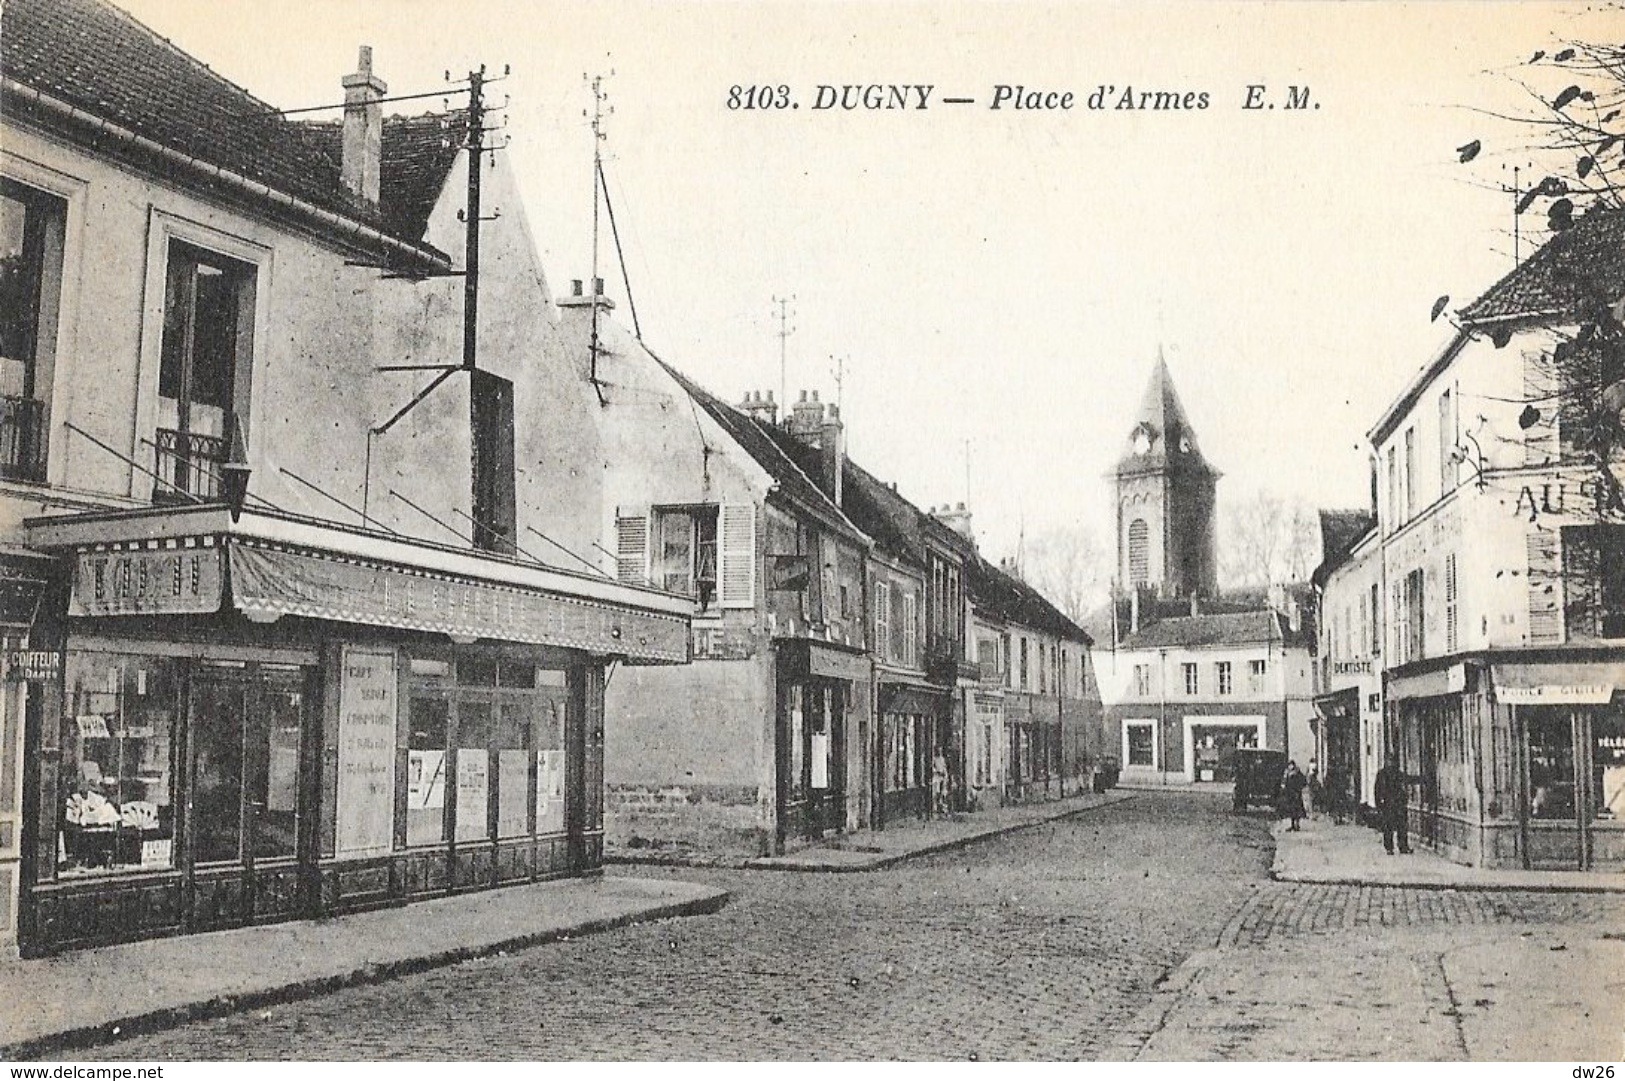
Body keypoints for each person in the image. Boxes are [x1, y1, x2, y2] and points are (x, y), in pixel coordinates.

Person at [1374, 754, 1412, 854]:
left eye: (1392, 761)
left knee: (1402, 826)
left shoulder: (1398, 773)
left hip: (1398, 803)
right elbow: (1377, 790)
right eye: (1389, 760)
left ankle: (1403, 846)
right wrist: (1378, 805)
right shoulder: (1381, 774)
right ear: (1386, 762)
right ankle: (1389, 848)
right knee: (1388, 827)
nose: (1390, 763)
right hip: (1387, 804)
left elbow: (1406, 780)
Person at [1279, 760, 1307, 831]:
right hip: (1289, 794)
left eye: (1291, 765)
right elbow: (1284, 782)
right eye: (1289, 765)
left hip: (1296, 794)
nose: (1290, 766)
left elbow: (1304, 782)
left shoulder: (1298, 773)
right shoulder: (1287, 772)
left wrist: (1299, 789)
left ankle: (1297, 825)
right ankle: (1292, 825)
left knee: (1297, 809)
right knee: (1291, 810)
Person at [930, 749, 949, 818]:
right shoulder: (934, 759)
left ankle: (944, 810)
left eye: (940, 750)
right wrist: (937, 772)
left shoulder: (942, 759)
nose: (939, 752)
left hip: (942, 778)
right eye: (938, 751)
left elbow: (944, 768)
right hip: (936, 778)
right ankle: (936, 810)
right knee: (936, 794)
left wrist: (945, 776)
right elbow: (932, 768)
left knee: (943, 795)